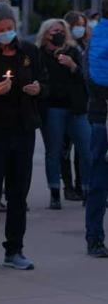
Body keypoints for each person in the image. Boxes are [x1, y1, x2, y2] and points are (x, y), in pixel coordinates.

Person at [0, 2, 48, 270]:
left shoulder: (28, 51)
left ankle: (14, 250)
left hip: (23, 130)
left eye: (10, 28)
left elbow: (45, 82)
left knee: (18, 193)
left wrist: (38, 88)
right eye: (1, 29)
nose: (7, 33)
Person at [36, 19, 91, 210]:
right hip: (53, 108)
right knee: (54, 152)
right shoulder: (39, 54)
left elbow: (85, 76)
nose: (57, 34)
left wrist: (73, 65)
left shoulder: (73, 51)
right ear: (45, 34)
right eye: (53, 31)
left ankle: (86, 190)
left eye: (60, 31)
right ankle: (54, 193)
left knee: (86, 149)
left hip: (77, 108)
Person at [85, 0, 108, 257]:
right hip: (103, 118)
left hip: (99, 116)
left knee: (99, 182)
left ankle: (95, 239)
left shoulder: (93, 42)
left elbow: (88, 80)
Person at [60, 11, 90, 201]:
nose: (81, 28)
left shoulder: (85, 46)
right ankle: (68, 186)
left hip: (82, 104)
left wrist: (74, 67)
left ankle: (81, 185)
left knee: (82, 149)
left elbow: (84, 75)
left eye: (83, 24)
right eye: (78, 24)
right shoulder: (63, 47)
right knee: (63, 149)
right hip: (64, 104)